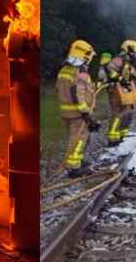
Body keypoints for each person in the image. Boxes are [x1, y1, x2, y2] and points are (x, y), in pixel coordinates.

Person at [56, 39, 100, 178]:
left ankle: (78, 161)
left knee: (75, 138)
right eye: (89, 58)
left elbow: (58, 89)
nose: (89, 61)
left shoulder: (64, 70)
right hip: (78, 114)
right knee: (79, 140)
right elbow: (78, 95)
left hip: (67, 112)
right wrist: (87, 115)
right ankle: (74, 169)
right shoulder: (80, 73)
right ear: (84, 56)